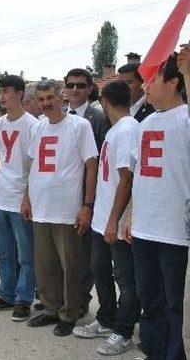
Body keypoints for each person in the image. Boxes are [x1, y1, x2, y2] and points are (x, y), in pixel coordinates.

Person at [125, 51, 190, 360]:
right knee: (149, 297)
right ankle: (153, 351)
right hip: (144, 226)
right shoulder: (145, 122)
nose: (146, 86)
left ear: (174, 82)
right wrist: (130, 214)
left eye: (153, 80)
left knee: (175, 303)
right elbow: (139, 174)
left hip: (176, 229)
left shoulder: (186, 118)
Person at [23, 79, 98, 337]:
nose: (45, 103)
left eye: (50, 98)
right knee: (45, 264)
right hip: (41, 205)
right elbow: (32, 166)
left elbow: (91, 165)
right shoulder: (38, 127)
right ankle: (51, 308)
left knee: (71, 265)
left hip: (67, 208)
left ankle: (70, 312)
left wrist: (87, 204)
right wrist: (27, 198)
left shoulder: (80, 125)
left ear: (62, 97)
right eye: (41, 99)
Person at [72, 80, 140, 355]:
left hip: (116, 219)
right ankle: (106, 319)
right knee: (99, 269)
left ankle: (123, 331)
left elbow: (127, 178)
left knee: (125, 277)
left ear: (103, 100)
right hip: (102, 217)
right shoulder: (116, 129)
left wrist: (115, 220)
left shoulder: (128, 129)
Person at [0, 75, 37, 321]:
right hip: (0, 195)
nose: (2, 96)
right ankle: (6, 294)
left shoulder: (32, 125)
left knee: (26, 254)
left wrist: (27, 198)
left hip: (19, 196)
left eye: (7, 91)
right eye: (0, 91)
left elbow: (34, 166)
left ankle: (24, 299)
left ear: (20, 93)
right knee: (3, 251)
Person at [64, 68, 110, 317]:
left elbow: (102, 161)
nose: (75, 90)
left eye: (80, 85)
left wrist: (90, 202)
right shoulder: (58, 117)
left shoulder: (99, 118)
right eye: (70, 85)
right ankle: (65, 296)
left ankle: (81, 299)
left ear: (90, 88)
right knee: (66, 251)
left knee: (84, 253)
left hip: (86, 194)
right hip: (62, 194)